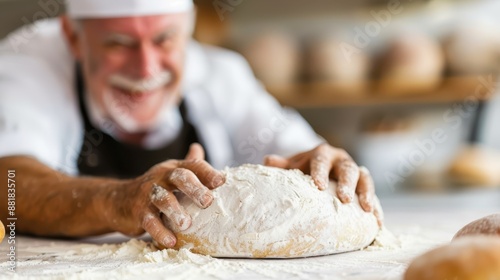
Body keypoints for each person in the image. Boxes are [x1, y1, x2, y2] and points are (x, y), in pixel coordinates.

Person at [0, 0, 382, 248]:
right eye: (118, 44)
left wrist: (325, 166)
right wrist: (119, 200)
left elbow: (300, 156)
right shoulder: (27, 65)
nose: (146, 69)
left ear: (187, 31)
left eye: (165, 39)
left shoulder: (221, 76)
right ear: (73, 37)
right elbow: (10, 183)